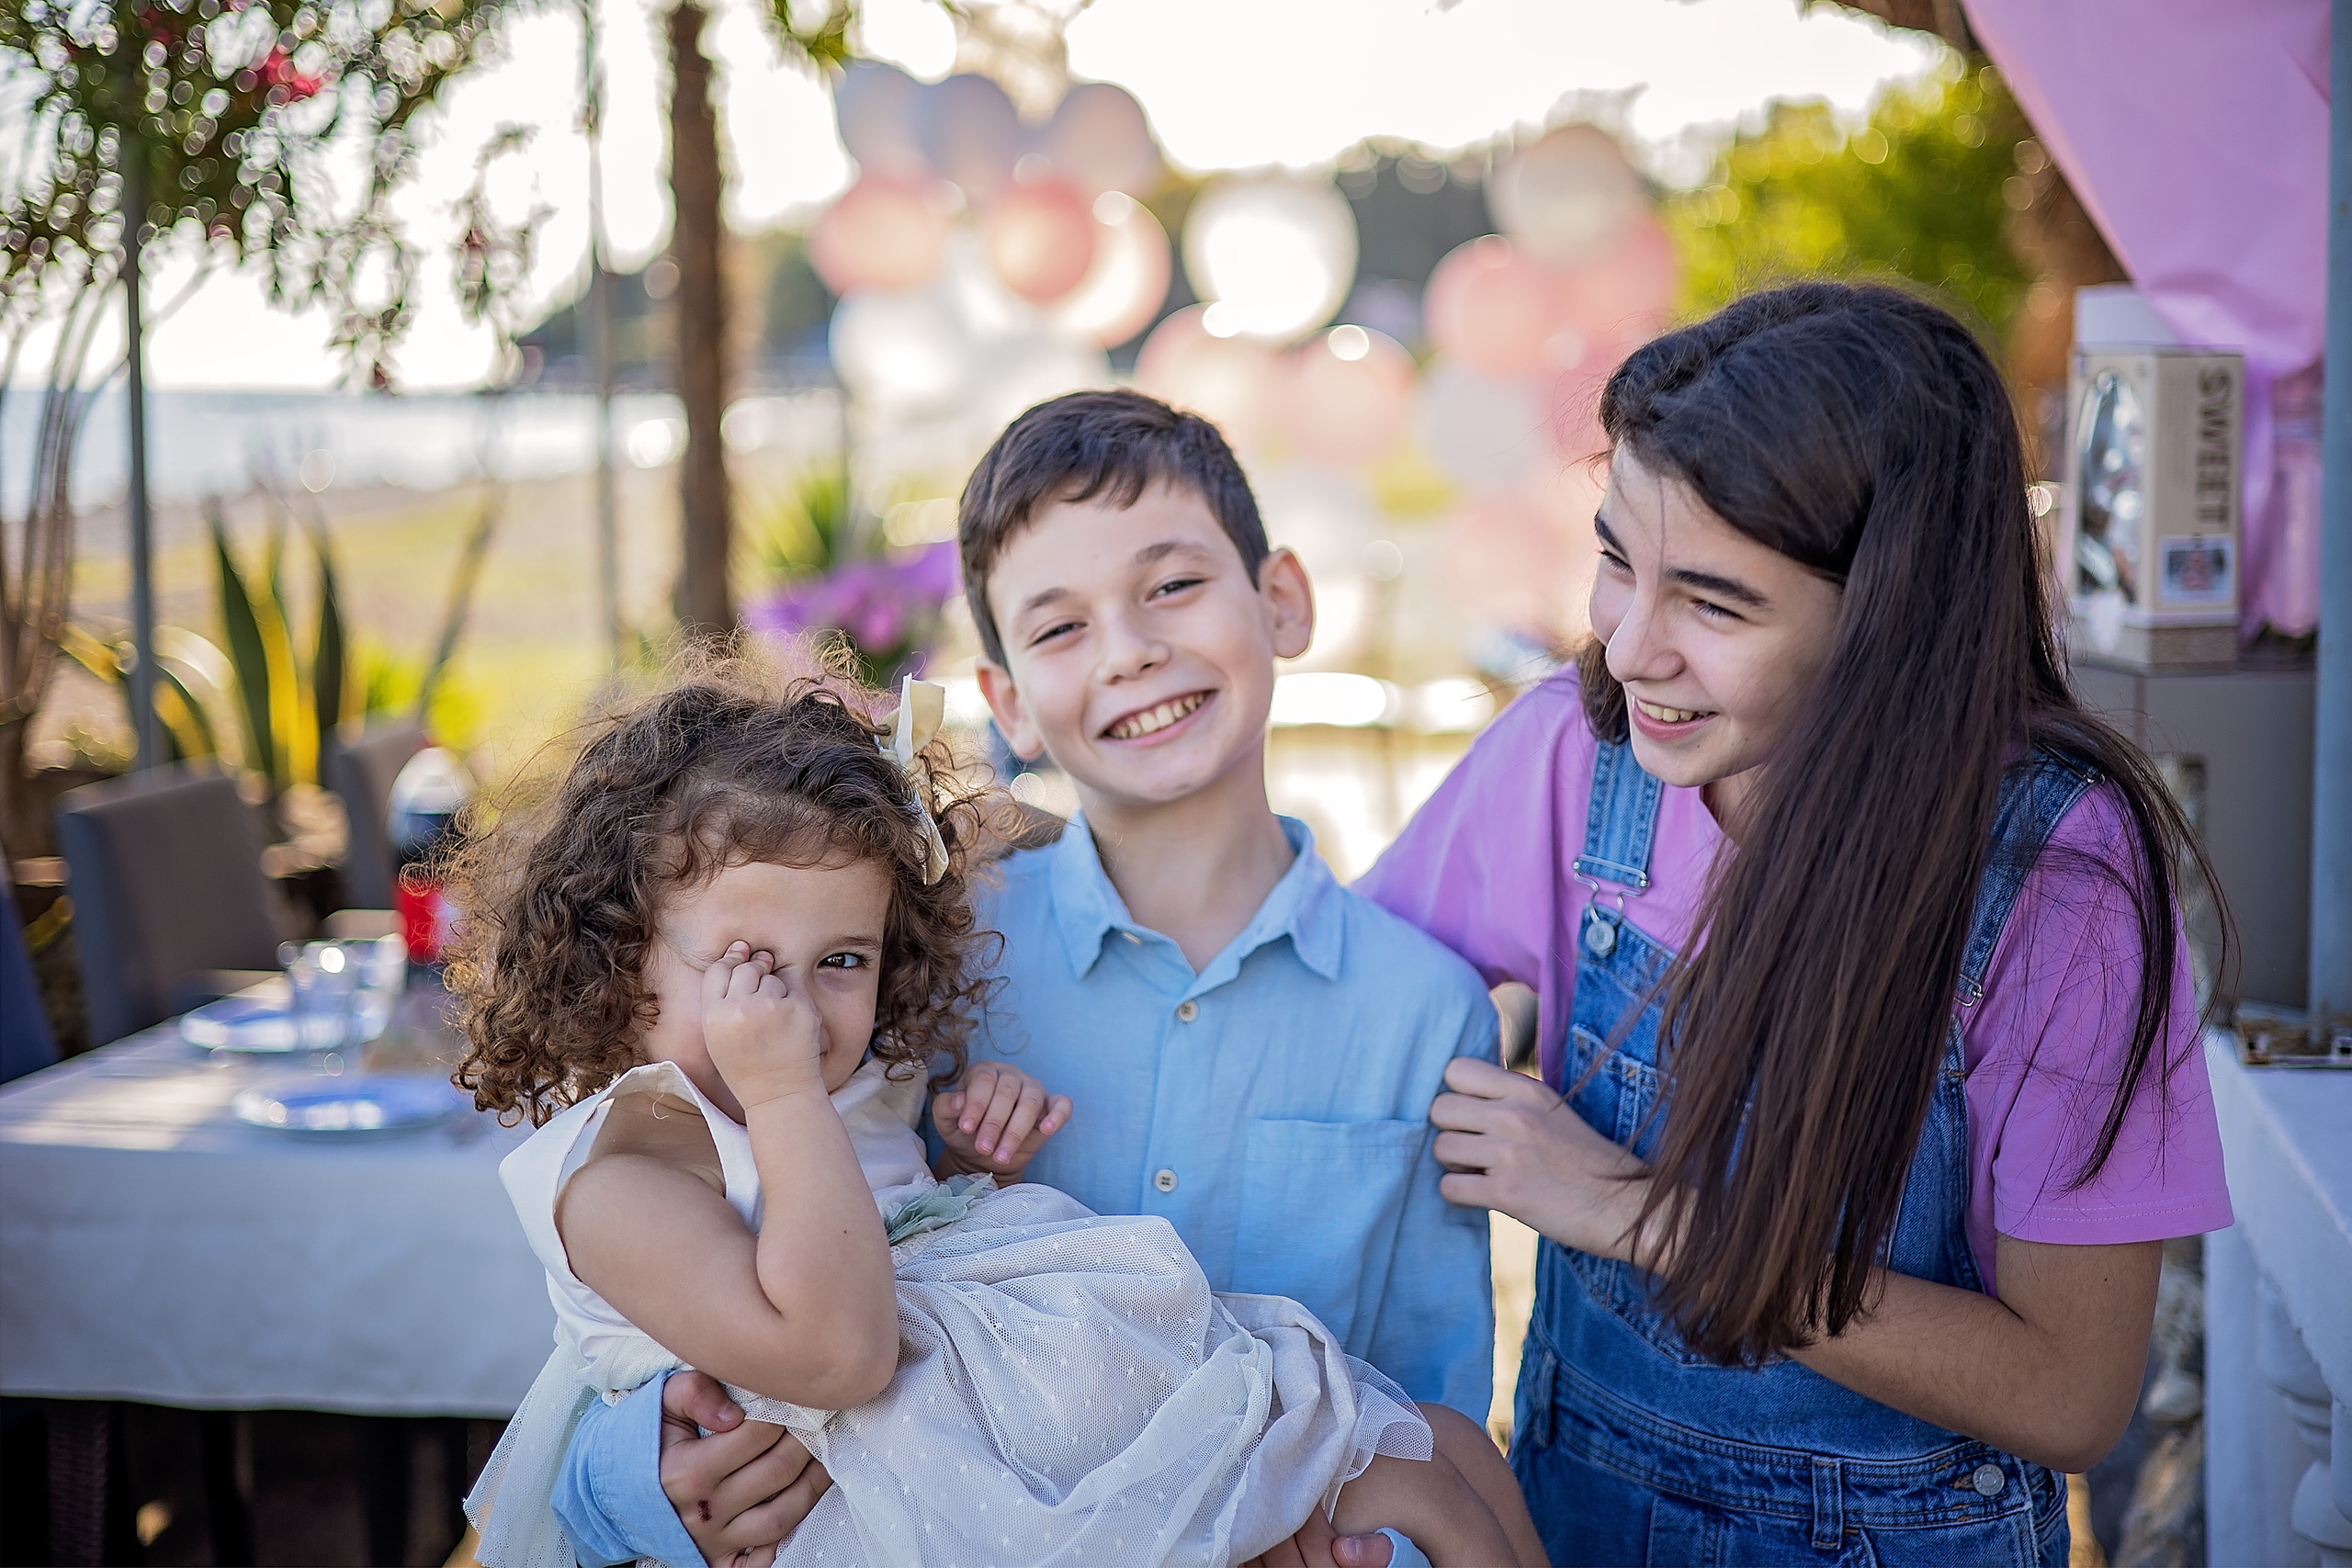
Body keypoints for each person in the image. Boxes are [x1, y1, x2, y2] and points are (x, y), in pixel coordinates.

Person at [1355, 281, 2236, 1566]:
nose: (1631, 644)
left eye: (1713, 602)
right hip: (1573, 1511)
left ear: (1888, 617)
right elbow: (1325, 1008)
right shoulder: (1572, 749)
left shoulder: (2060, 879)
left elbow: (2069, 1392)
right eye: (1616, 560)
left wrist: (1644, 1213)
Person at [549, 390, 1506, 1568]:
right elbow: (671, 1290)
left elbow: (1421, 1393)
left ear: (1283, 602)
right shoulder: (902, 966)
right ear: (1007, 705)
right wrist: (639, 1476)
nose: (1130, 649)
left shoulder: (1422, 1010)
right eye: (1057, 629)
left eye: (1171, 586)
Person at [447, 661, 1543, 1568]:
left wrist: (977, 1165)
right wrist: (783, 1094)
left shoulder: (841, 1080)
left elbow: (905, 1232)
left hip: (998, 1396)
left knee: (1454, 1448)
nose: (792, 1005)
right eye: (743, 962)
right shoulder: (625, 1178)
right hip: (897, 1486)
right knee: (1416, 1489)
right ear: (619, 954)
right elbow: (837, 1353)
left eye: (842, 959)